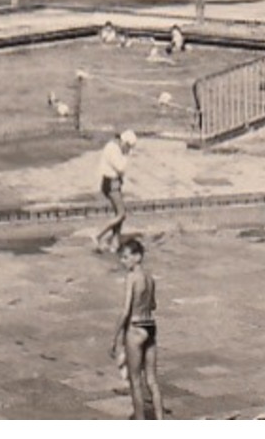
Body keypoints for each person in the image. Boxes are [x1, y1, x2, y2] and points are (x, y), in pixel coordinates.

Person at [112, 237, 163, 421]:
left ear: (137, 256)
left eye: (126, 257)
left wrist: (116, 337)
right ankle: (160, 420)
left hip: (135, 327)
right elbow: (154, 304)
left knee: (135, 381)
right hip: (150, 326)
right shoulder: (150, 278)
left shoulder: (132, 278)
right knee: (152, 380)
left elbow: (126, 311)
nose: (123, 261)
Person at [93, 131, 137, 253]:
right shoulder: (112, 149)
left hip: (114, 182)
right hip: (110, 183)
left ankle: (115, 242)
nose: (127, 149)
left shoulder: (114, 147)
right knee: (121, 214)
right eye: (128, 147)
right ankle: (98, 234)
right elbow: (121, 168)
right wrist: (127, 155)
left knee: (119, 214)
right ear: (125, 142)